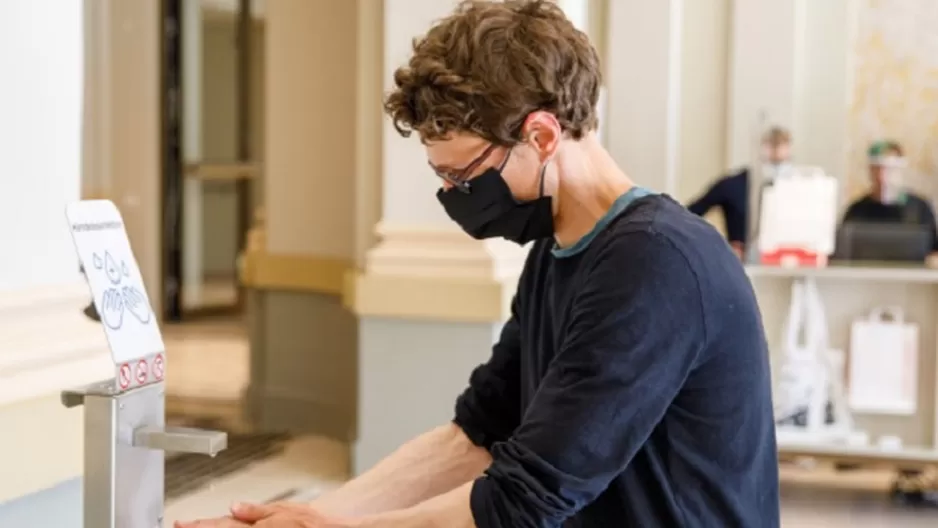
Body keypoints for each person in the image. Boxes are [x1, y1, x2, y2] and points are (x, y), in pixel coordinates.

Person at [177, 1, 779, 526]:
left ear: (542, 136)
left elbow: (523, 500)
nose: (453, 197)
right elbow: (477, 436)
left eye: (462, 175)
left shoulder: (654, 264)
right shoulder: (559, 249)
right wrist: (320, 512)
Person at [686, 127, 792, 257]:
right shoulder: (732, 185)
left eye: (781, 162)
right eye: (773, 161)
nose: (776, 166)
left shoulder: (796, 190)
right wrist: (717, 246)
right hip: (740, 263)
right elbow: (688, 215)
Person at [840, 140, 938, 254]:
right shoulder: (856, 210)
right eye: (877, 169)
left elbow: (934, 251)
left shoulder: (920, 208)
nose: (883, 177)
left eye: (890, 169)